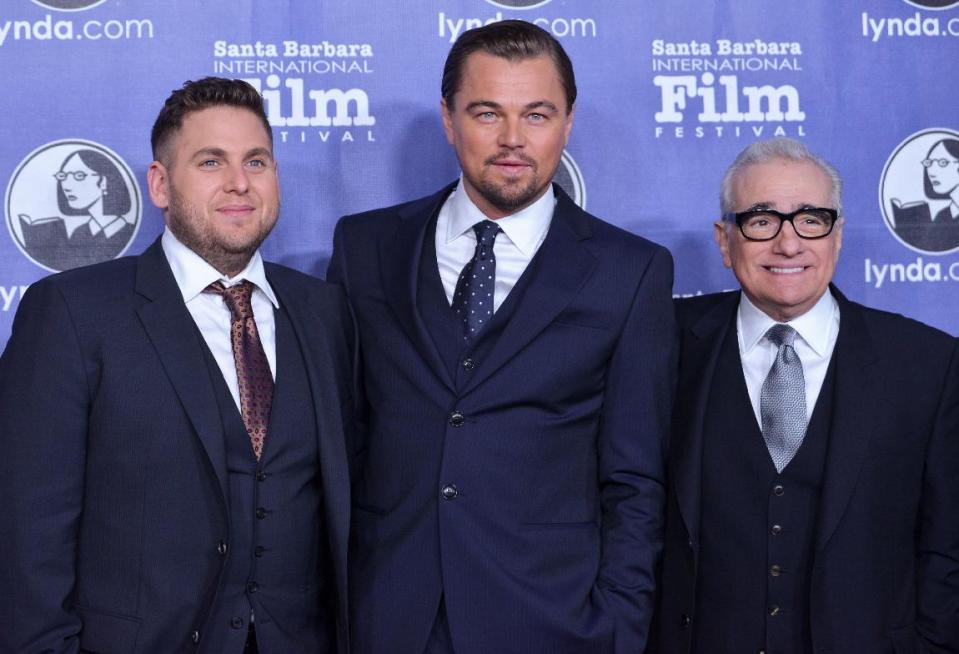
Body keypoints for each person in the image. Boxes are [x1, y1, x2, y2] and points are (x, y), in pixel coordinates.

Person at [328, 19, 675, 654]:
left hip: (553, 621)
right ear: (448, 118)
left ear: (568, 123)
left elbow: (635, 478)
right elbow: (341, 442)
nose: (513, 139)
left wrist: (618, 627)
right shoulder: (365, 246)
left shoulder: (631, 271)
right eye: (487, 113)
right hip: (389, 615)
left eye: (537, 114)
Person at [0, 77, 353, 654]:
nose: (240, 183)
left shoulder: (325, 312)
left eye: (257, 161)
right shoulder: (72, 313)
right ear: (160, 185)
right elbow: (25, 533)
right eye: (210, 161)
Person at [654, 137, 959, 653]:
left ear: (837, 237)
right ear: (725, 241)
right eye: (760, 220)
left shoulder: (928, 364)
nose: (788, 243)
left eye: (811, 219)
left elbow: (947, 548)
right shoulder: (663, 347)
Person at [20, 148, 136, 270]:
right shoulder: (80, 232)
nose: (67, 186)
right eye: (63, 176)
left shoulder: (126, 231)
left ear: (102, 181)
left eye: (79, 176)